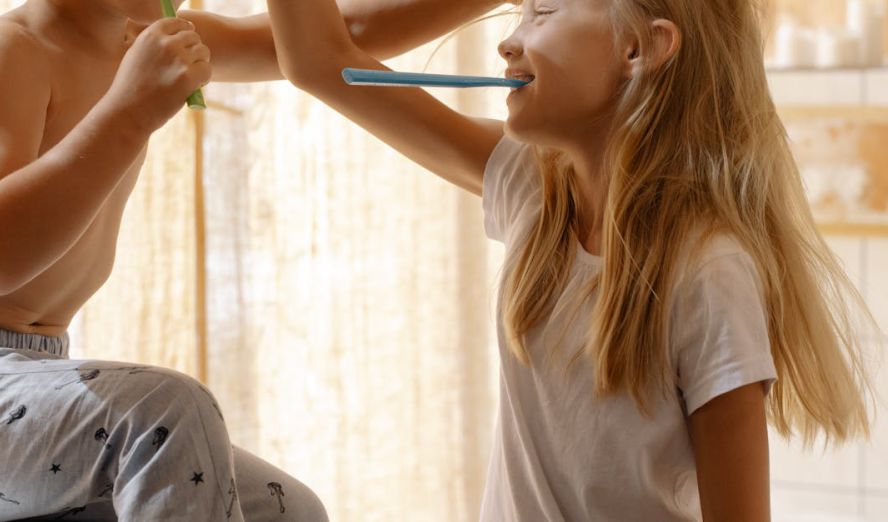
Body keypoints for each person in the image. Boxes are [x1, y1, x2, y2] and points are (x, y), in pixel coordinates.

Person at [0, 0, 514, 520]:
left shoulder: (155, 33)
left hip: (32, 378)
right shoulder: (13, 52)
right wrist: (130, 111)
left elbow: (339, 37)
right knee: (168, 410)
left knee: (288, 509)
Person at [264, 0, 880, 520]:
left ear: (638, 49)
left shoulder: (707, 272)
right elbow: (320, 63)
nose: (508, 42)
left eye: (544, 11)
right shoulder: (530, 189)